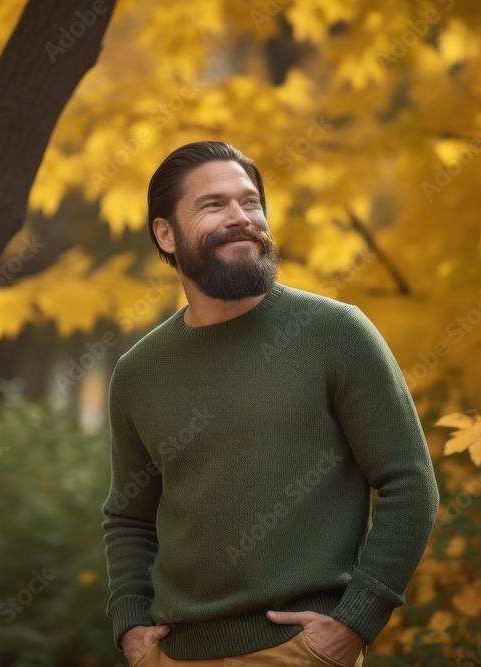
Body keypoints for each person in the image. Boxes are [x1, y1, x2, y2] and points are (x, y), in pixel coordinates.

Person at [101, 141, 439, 666]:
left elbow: (410, 483)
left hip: (297, 651)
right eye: (213, 205)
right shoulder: (138, 373)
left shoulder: (336, 333)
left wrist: (355, 623)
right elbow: (129, 517)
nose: (241, 218)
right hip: (173, 655)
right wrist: (132, 627)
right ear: (165, 233)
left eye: (251, 202)